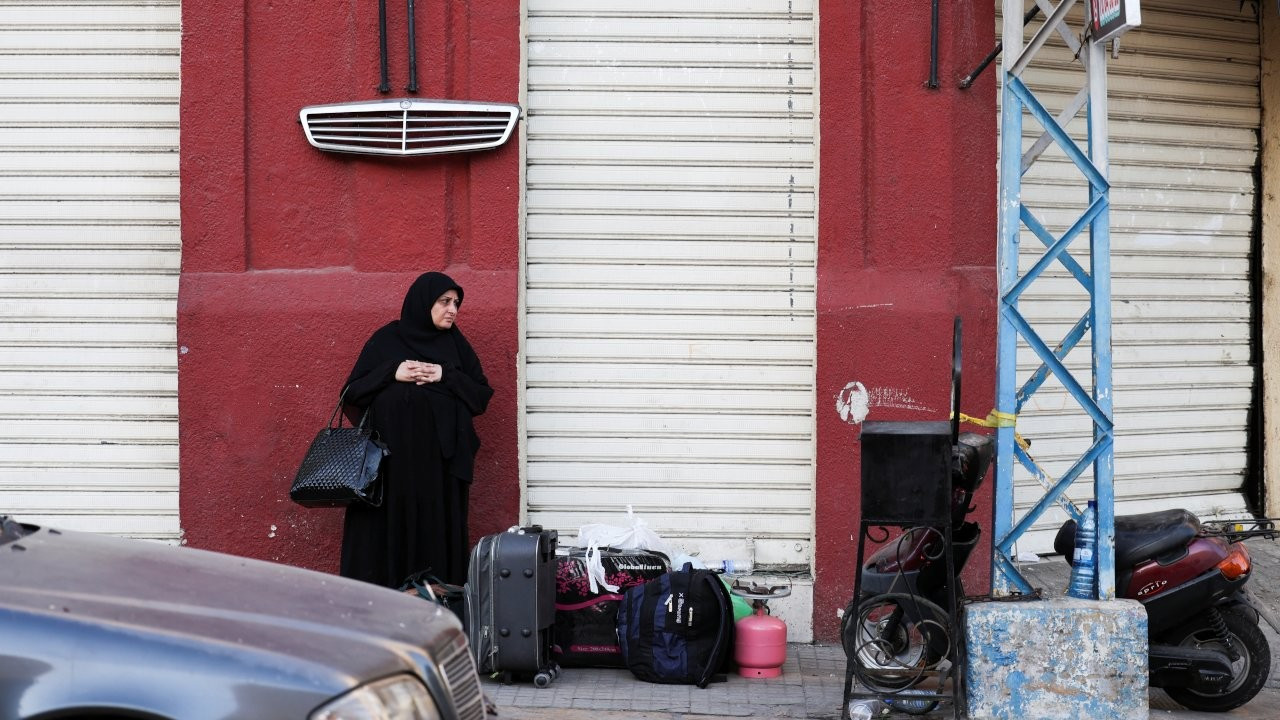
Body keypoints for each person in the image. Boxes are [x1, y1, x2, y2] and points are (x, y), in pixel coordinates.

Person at [338, 271, 493, 588]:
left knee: (434, 542)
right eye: (444, 301)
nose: (452, 309)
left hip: (438, 475)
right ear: (423, 303)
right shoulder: (386, 341)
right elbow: (351, 394)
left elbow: (480, 397)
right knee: (385, 543)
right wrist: (391, 372)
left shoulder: (456, 347)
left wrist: (443, 374)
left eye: (456, 303)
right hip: (388, 473)